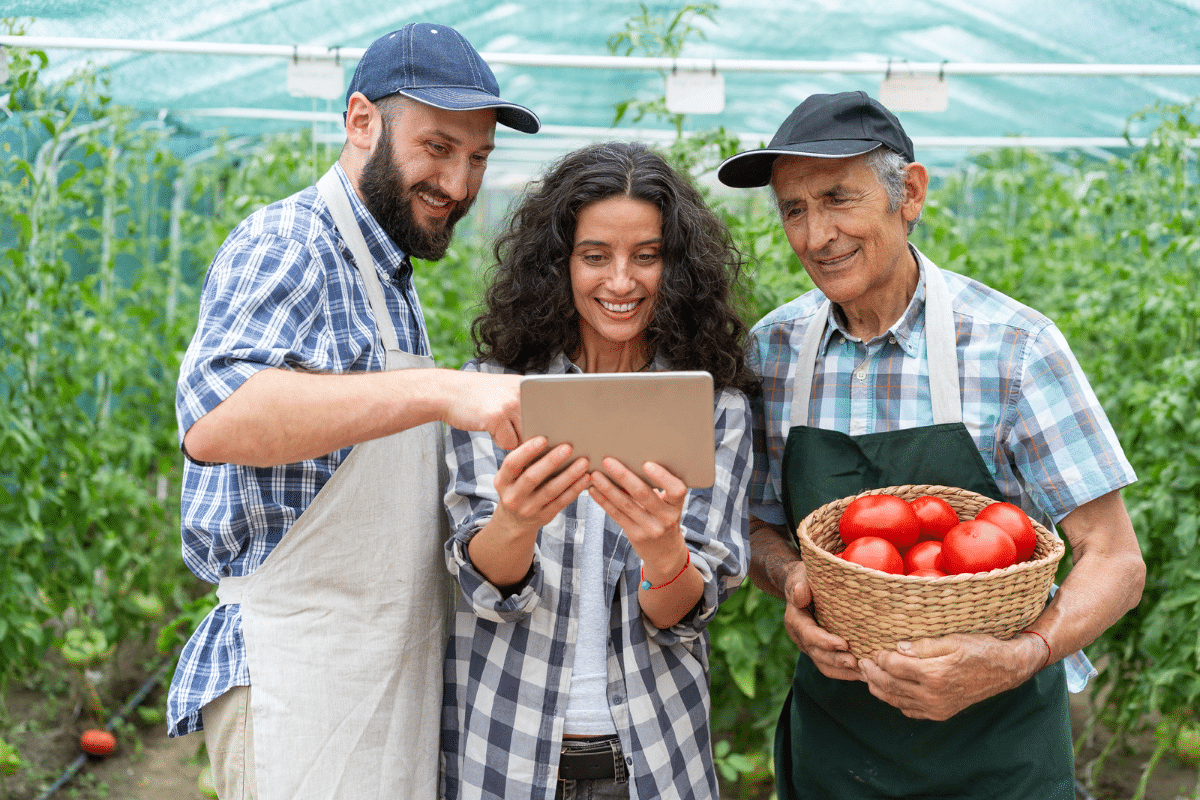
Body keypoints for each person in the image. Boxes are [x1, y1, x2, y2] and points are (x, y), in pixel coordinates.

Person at [716, 91, 1146, 800]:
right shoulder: (773, 352)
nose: (817, 234)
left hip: (997, 755)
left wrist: (1019, 656)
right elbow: (756, 524)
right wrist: (790, 576)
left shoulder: (1013, 348)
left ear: (908, 193)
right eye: (794, 209)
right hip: (838, 754)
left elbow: (1116, 560)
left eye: (837, 199)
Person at [168, 23, 540, 800]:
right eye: (437, 147)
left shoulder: (387, 274)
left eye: (477, 158)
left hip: (382, 671)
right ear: (361, 120)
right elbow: (218, 418)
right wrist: (439, 389)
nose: (460, 183)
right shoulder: (290, 240)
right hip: (301, 677)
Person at [440, 141, 757, 800]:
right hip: (509, 749)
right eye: (594, 256)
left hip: (652, 756)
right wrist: (516, 521)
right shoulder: (496, 391)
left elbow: (682, 615)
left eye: (647, 256)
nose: (621, 281)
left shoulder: (712, 406)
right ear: (559, 264)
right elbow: (483, 585)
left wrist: (663, 549)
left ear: (676, 267)